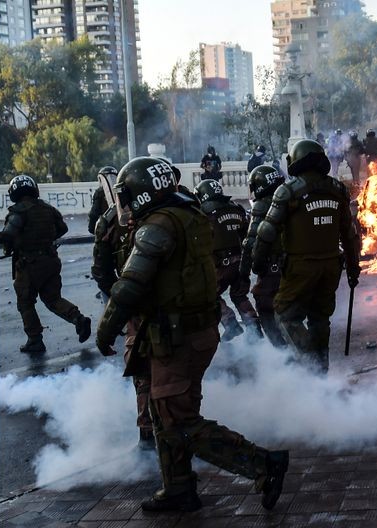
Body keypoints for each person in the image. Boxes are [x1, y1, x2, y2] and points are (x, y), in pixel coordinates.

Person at [95, 156, 288, 512]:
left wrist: (106, 330)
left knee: (179, 421)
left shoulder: (158, 225)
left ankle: (263, 464)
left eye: (127, 195)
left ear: (142, 192)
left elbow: (130, 285)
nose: (124, 203)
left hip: (177, 337)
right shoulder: (189, 213)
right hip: (191, 331)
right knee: (164, 413)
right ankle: (179, 488)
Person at [252, 139, 361, 372]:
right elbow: (350, 235)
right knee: (320, 318)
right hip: (331, 266)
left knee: (285, 315)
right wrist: (354, 268)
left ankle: (311, 367)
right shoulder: (338, 190)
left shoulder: (288, 191)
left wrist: (257, 262)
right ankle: (322, 373)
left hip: (299, 267)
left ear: (296, 160)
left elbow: (266, 231)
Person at [0, 176, 92, 353]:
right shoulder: (47, 208)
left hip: (29, 265)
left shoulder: (18, 212)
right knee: (53, 299)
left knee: (25, 302)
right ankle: (78, 319)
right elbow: (63, 228)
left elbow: (8, 235)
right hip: (51, 260)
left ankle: (35, 340)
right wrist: (44, 240)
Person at [92, 200, 153, 447]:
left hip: (140, 305)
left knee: (142, 364)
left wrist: (120, 305)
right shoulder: (177, 209)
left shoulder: (110, 221)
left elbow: (103, 273)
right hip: (178, 304)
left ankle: (151, 433)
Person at [195, 179, 262, 340]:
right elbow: (247, 234)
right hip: (241, 262)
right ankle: (254, 327)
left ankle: (230, 323)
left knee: (210, 296)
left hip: (220, 265)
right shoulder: (236, 208)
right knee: (239, 295)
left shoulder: (203, 213)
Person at [240, 165, 288, 347]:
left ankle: (282, 351)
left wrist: (245, 271)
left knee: (264, 303)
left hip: (274, 265)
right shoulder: (290, 196)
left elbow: (251, 241)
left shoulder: (262, 204)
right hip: (296, 262)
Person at [88, 166, 119, 234]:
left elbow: (94, 213)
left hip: (106, 227)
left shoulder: (99, 192)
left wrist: (91, 228)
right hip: (119, 223)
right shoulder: (119, 189)